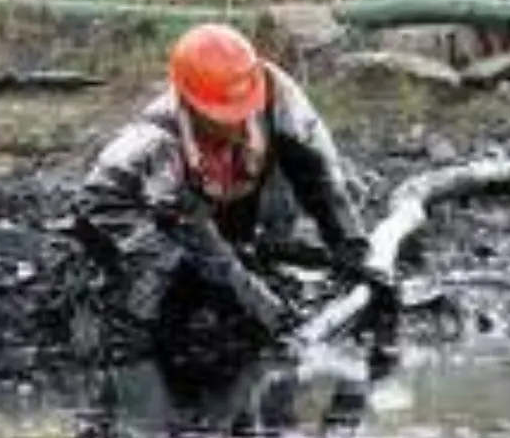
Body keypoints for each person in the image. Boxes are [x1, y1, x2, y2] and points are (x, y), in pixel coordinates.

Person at [77, 23, 388, 377]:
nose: (236, 122)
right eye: (221, 115)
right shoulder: (160, 140)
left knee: (251, 245)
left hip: (205, 205)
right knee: (158, 264)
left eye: (241, 109)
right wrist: (269, 314)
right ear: (191, 104)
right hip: (119, 209)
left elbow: (321, 177)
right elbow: (202, 243)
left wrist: (350, 246)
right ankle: (125, 359)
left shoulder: (280, 96)